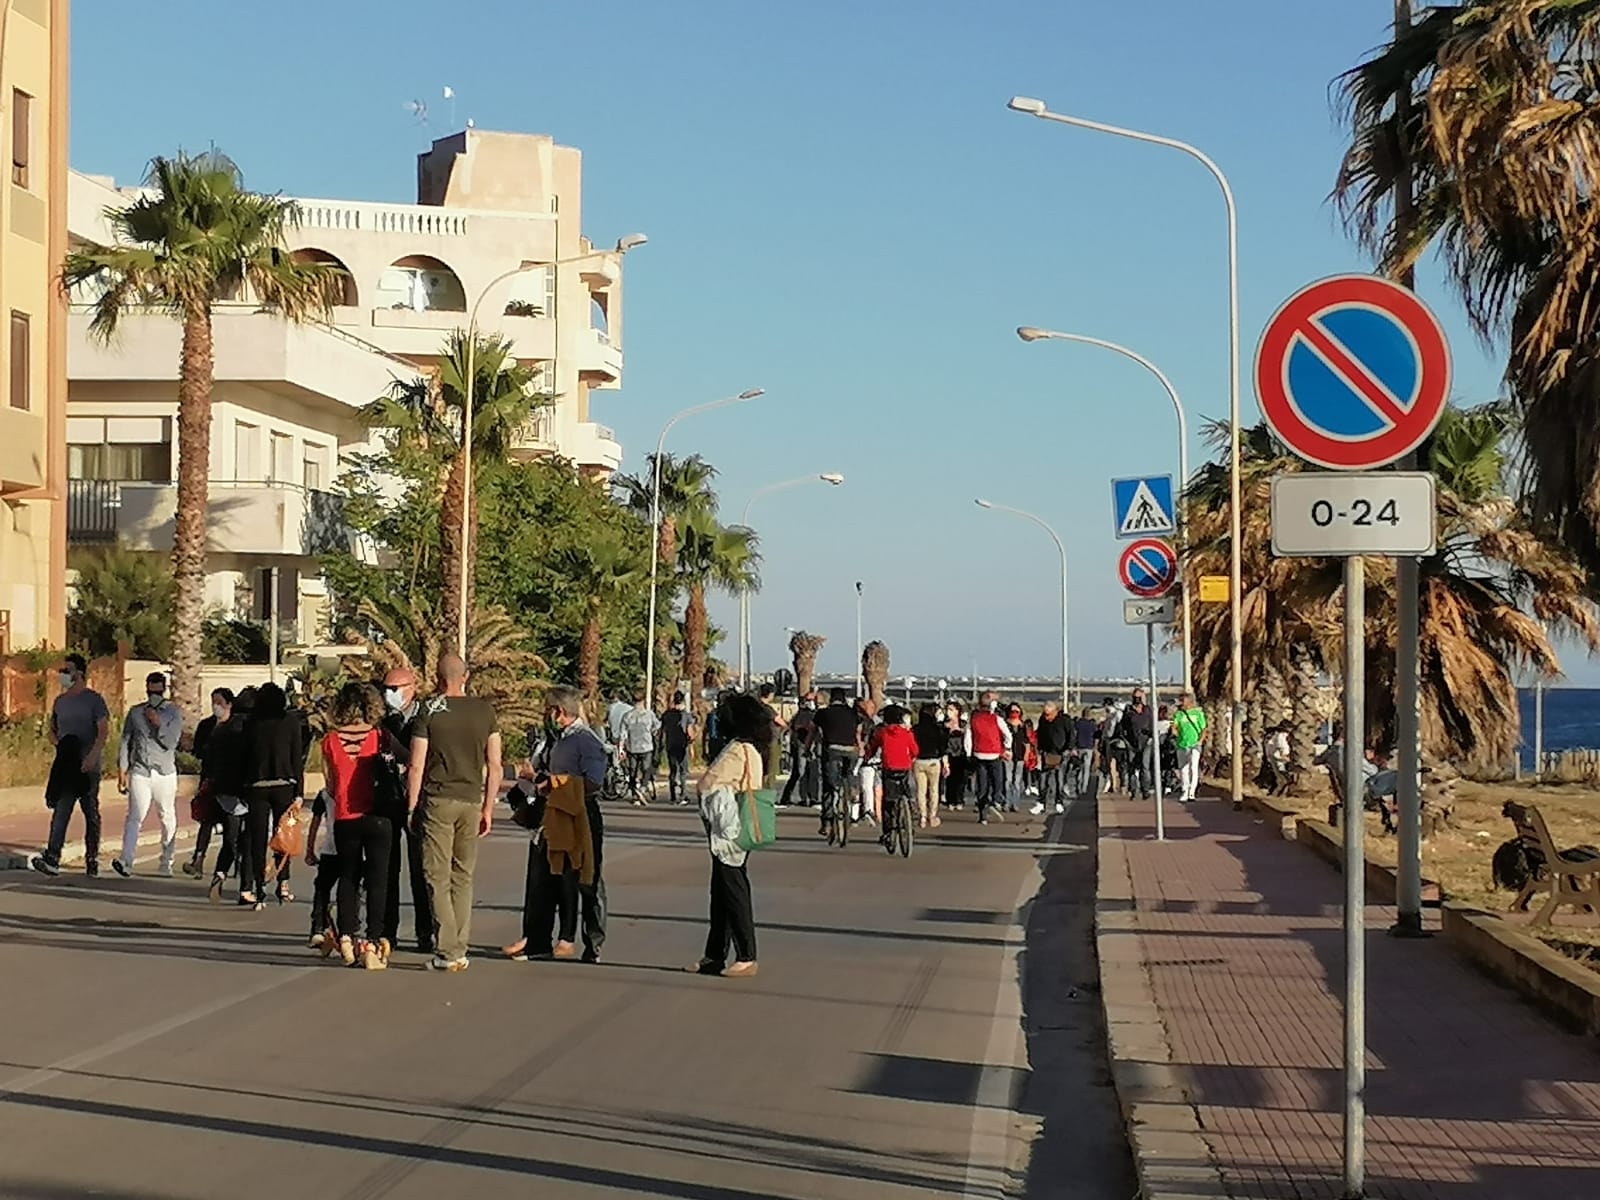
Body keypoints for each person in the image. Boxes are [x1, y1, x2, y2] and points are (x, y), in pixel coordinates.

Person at [407, 654, 501, 972]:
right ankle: (459, 945)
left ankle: (448, 948)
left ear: (437, 677)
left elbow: (417, 763)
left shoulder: (428, 711)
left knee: (436, 875)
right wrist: (488, 806)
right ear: (466, 675)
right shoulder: (485, 711)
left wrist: (411, 804)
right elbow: (496, 764)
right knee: (463, 875)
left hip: (438, 800)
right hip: (471, 799)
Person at [513, 685, 609, 962]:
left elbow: (594, 783)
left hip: (580, 814)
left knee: (587, 879)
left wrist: (552, 784)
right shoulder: (557, 739)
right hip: (553, 813)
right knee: (548, 876)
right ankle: (542, 940)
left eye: (548, 710)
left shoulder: (586, 741)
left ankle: (593, 943)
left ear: (558, 711)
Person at [686, 693, 766, 979]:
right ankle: (714, 955)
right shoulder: (748, 748)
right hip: (730, 830)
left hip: (729, 830)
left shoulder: (737, 750)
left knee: (733, 891)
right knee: (720, 893)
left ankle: (746, 954)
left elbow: (709, 783)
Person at [319, 682, 395, 969]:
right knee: (378, 881)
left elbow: (329, 785)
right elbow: (407, 760)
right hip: (378, 816)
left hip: (346, 819)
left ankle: (348, 938)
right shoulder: (380, 736)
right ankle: (374, 942)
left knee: (347, 878)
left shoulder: (330, 741)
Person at [31, 654, 111, 878]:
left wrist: (92, 757)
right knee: (61, 810)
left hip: (88, 766)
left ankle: (92, 857)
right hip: (67, 765)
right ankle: (53, 856)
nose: (62, 674)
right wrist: (59, 745)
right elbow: (52, 729)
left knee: (90, 812)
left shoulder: (94, 700)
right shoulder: (60, 701)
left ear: (79, 673)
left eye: (67, 670)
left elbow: (103, 730)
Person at [380, 666, 434, 955]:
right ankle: (388, 931)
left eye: (395, 688)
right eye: (386, 689)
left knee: (420, 869)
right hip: (388, 799)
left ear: (412, 687)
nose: (390, 695)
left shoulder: (427, 719)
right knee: (387, 868)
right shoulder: (383, 721)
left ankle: (426, 932)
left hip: (419, 800)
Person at [111, 671, 184, 879]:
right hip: (141, 771)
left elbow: (171, 742)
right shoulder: (135, 713)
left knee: (166, 815)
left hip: (164, 772)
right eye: (150, 691)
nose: (153, 695)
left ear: (164, 690)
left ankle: (166, 861)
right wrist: (122, 770)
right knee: (135, 816)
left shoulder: (172, 713)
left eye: (157, 691)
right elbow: (126, 741)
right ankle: (126, 860)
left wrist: (157, 723)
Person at [239, 682, 304, 910]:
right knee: (283, 835)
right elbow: (298, 757)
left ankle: (259, 888)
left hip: (256, 786)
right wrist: (300, 792)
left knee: (257, 838)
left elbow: (244, 758)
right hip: (284, 785)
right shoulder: (291, 722)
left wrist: (242, 788)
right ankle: (283, 882)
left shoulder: (251, 723)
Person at [201, 687, 251, 902]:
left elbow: (207, 762)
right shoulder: (244, 728)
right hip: (243, 790)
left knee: (230, 838)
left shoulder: (218, 731)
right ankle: (246, 888)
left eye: (219, 702)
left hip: (224, 791)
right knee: (247, 841)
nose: (216, 707)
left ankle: (220, 874)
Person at [183, 688, 234, 878]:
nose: (216, 706)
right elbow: (197, 750)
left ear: (229, 704)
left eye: (219, 702)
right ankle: (198, 860)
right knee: (206, 822)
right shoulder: (206, 725)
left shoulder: (236, 725)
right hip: (209, 781)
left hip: (229, 784)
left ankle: (228, 864)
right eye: (213, 701)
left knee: (231, 826)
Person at [814, 690, 864, 834]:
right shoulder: (853, 713)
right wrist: (860, 748)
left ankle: (827, 823)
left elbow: (813, 731)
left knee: (829, 785)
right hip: (851, 750)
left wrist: (807, 747)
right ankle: (852, 788)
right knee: (850, 771)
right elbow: (858, 732)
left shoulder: (823, 713)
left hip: (832, 749)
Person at [867, 705, 918, 842]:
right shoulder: (907, 733)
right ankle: (911, 816)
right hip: (904, 768)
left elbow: (873, 748)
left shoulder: (882, 733)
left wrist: (867, 758)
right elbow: (915, 751)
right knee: (906, 791)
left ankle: (888, 831)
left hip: (888, 768)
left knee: (888, 802)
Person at [966, 692, 1011, 825]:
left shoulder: (973, 719)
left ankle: (983, 815)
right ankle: (996, 799)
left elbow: (967, 738)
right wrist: (1007, 748)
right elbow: (1008, 735)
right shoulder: (996, 719)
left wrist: (969, 753)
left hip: (979, 754)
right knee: (998, 779)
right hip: (994, 753)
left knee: (982, 784)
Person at [1031, 701, 1071, 816]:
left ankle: (1059, 802)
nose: (1046, 713)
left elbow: (1070, 734)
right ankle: (1041, 803)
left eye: (1048, 710)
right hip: (1046, 753)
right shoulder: (1043, 720)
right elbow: (1039, 734)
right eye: (1045, 711)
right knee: (1043, 780)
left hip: (1060, 753)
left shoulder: (1064, 720)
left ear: (1054, 710)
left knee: (1059, 780)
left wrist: (1068, 749)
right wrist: (1039, 749)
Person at [619, 692, 659, 805]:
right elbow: (656, 727)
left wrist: (621, 749)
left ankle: (635, 795)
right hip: (646, 746)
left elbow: (623, 733)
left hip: (632, 747)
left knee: (633, 771)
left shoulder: (627, 715)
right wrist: (653, 733)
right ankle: (642, 787)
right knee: (646, 770)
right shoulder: (649, 714)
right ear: (643, 701)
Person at [911, 702, 947, 829]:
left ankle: (922, 817)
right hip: (933, 761)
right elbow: (942, 748)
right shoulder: (937, 729)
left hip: (918, 761)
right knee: (933, 790)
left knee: (920, 791)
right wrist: (946, 764)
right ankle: (932, 816)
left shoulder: (915, 729)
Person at [779, 693, 818, 807]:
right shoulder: (801, 715)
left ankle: (812, 797)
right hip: (801, 746)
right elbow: (795, 728)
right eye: (809, 700)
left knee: (812, 773)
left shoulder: (815, 714)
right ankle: (803, 797)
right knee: (801, 772)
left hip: (812, 746)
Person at [1118, 689, 1155, 800]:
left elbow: (1152, 725)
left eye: (1140, 697)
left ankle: (1146, 790)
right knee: (1132, 767)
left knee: (1145, 766)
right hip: (1131, 743)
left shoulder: (1148, 710)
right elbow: (1122, 726)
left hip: (1146, 742)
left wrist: (1151, 737)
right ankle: (1133, 790)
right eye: (1135, 697)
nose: (1137, 700)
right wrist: (1125, 740)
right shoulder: (1128, 710)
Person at [660, 692, 695, 806]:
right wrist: (692, 742)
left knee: (672, 770)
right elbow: (690, 733)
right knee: (683, 771)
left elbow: (662, 731)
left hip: (670, 744)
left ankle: (672, 796)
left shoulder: (666, 715)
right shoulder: (686, 715)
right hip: (682, 745)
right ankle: (683, 795)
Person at [1172, 693, 1208, 803]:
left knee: (1193, 767)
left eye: (1182, 701)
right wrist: (1175, 732)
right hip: (1182, 744)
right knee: (1183, 769)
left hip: (1195, 744)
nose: (1180, 703)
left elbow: (1203, 729)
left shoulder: (1198, 714)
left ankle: (1192, 792)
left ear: (1189, 702)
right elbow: (1174, 726)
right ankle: (1185, 790)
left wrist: (1200, 741)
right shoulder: (1178, 714)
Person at [756, 683, 788, 789]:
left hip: (758, 741)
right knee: (771, 769)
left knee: (761, 768)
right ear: (770, 694)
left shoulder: (756, 707)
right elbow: (780, 721)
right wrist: (786, 727)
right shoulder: (767, 709)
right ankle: (768, 790)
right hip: (771, 740)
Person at [943, 701, 969, 810]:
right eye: (948, 710)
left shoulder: (963, 724)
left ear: (957, 711)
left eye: (951, 710)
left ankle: (959, 799)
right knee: (950, 778)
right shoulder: (944, 724)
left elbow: (968, 735)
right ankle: (951, 800)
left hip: (961, 752)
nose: (949, 712)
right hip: (949, 753)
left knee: (961, 777)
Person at [1003, 704, 1029, 812]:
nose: (1014, 713)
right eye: (1012, 711)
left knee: (1017, 781)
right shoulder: (1005, 725)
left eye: (1017, 711)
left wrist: (1026, 754)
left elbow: (1026, 742)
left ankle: (1015, 803)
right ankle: (1007, 802)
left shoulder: (1022, 726)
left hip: (1019, 756)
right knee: (1007, 780)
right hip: (1008, 755)